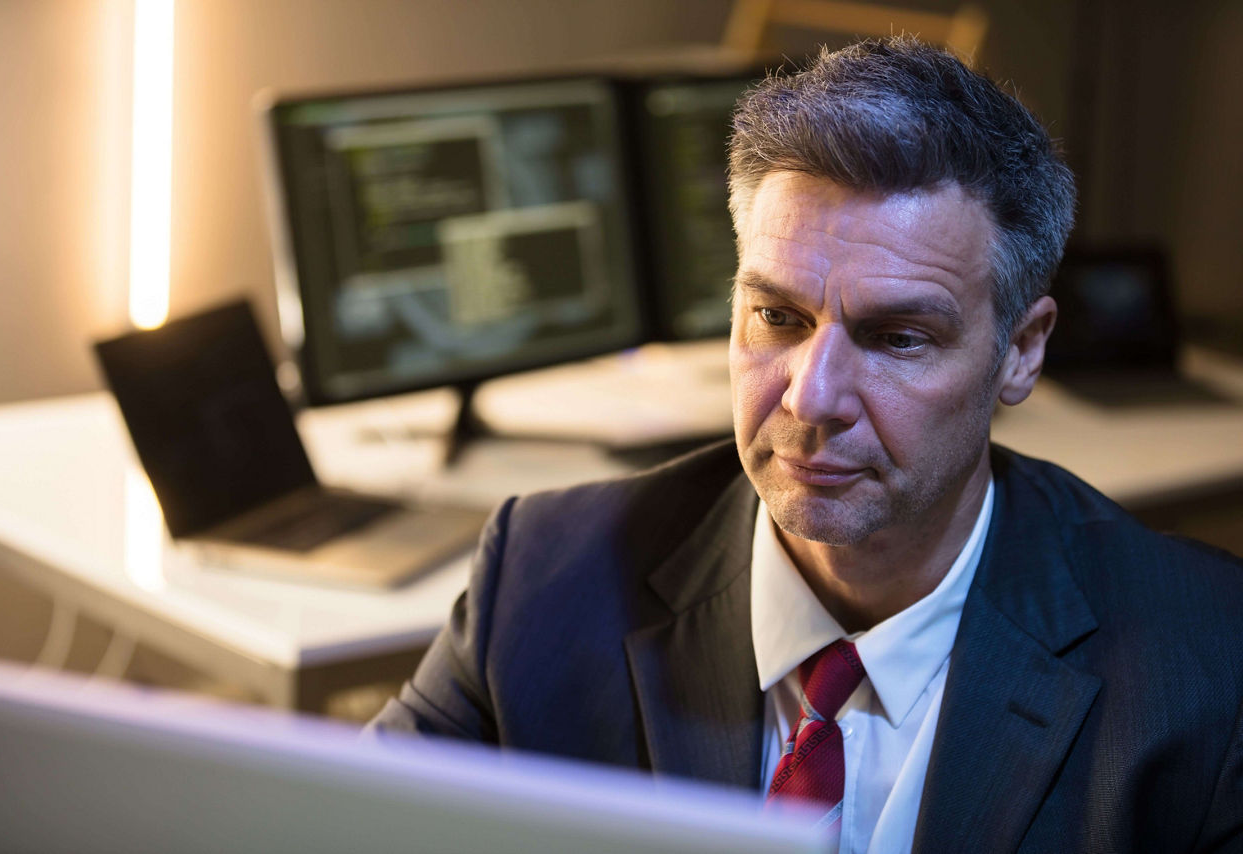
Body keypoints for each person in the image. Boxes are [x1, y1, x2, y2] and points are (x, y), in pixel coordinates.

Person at [369, 37, 1243, 853]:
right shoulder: (539, 582)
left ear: (1022, 350)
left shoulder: (1207, 666)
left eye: (899, 337)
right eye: (777, 317)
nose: (811, 397)